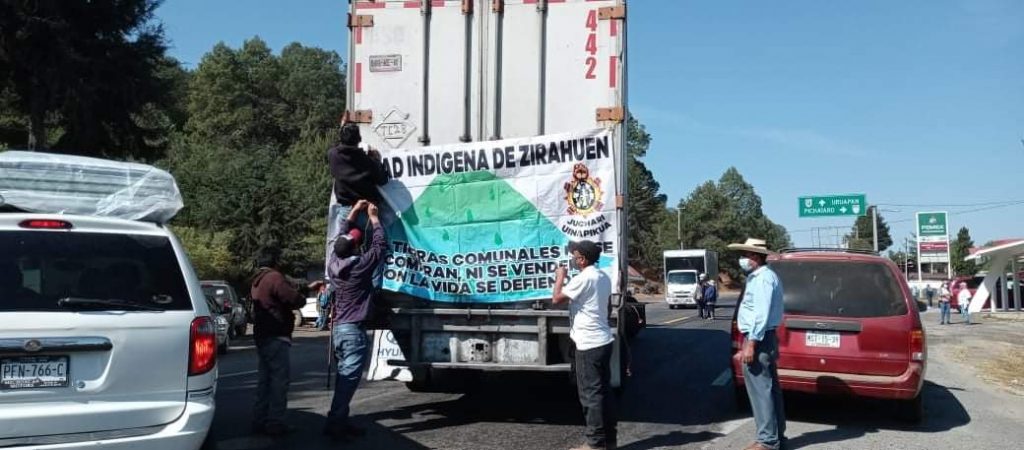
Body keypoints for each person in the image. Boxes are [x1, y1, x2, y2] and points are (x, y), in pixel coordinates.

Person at [324, 200, 387, 440]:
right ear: (354, 250)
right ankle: (336, 424)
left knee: (344, 378)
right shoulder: (359, 268)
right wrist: (374, 217)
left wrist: (354, 212)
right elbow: (380, 246)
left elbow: (340, 236)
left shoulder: (334, 265)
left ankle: (339, 420)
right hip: (352, 331)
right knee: (348, 382)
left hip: (340, 329)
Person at [553, 240, 616, 450]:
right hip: (603, 340)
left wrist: (560, 277)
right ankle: (609, 439)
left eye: (575, 256)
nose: (573, 259)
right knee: (603, 392)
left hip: (588, 344)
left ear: (582, 259)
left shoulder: (584, 278)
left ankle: (595, 444)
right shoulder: (603, 277)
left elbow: (556, 298)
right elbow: (606, 308)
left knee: (590, 395)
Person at [728, 238, 786, 450]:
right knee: (770, 391)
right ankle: (776, 436)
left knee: (761, 391)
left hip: (759, 339)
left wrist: (750, 343)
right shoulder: (763, 277)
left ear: (755, 257)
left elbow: (760, 314)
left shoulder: (762, 279)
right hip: (764, 338)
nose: (742, 259)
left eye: (745, 255)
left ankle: (767, 441)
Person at [250, 247, 311, 436]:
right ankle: (275, 422)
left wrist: (306, 288)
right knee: (278, 381)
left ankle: (260, 419)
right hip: (276, 334)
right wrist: (303, 295)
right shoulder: (274, 277)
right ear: (275, 262)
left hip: (262, 335)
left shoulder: (257, 280)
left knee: (265, 381)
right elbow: (293, 298)